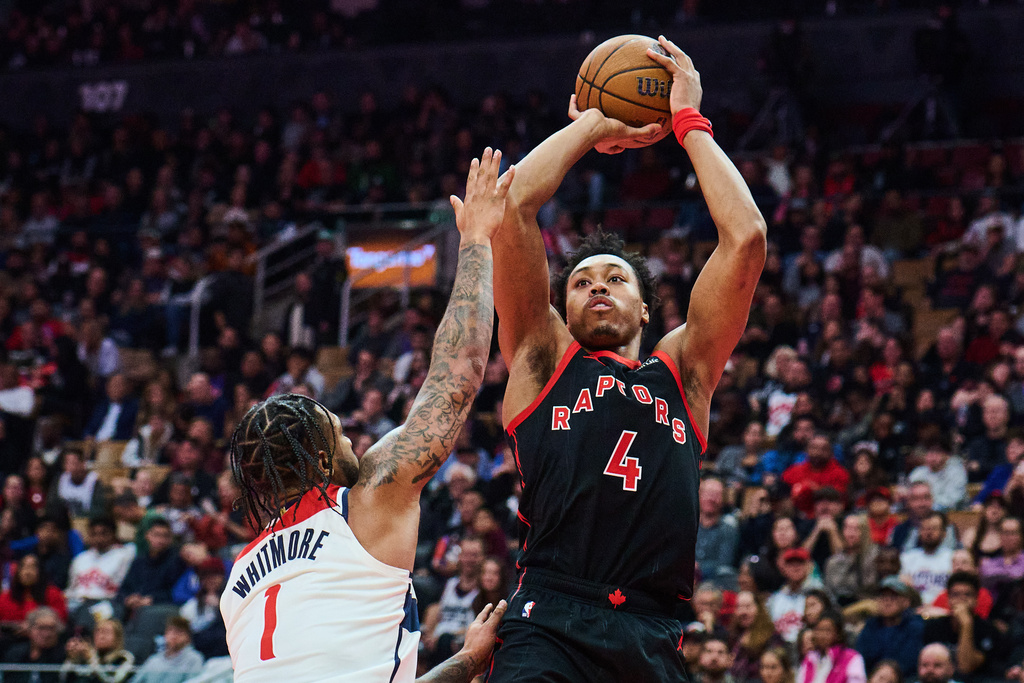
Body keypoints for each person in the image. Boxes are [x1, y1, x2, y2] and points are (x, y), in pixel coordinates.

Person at [486, 36, 767, 682]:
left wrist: (689, 122)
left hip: (652, 633)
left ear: (647, 310)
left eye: (615, 278)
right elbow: (512, 206)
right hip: (549, 619)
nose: (597, 287)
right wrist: (591, 124)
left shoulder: (682, 375)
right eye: (582, 281)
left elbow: (747, 236)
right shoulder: (542, 357)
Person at [219, 148, 513, 682]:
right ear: (320, 458)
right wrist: (474, 241)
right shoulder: (367, 502)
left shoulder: (238, 581)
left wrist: (468, 660)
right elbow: (454, 380)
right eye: (340, 433)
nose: (355, 440)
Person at [922, 571, 1003, 680]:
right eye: (956, 595)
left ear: (976, 599)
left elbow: (966, 668)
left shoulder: (988, 630)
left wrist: (966, 624)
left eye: (967, 595)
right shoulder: (934, 627)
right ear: (948, 599)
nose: (962, 599)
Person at [855, 577, 924, 678]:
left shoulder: (915, 626)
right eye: (883, 597)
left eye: (893, 597)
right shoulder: (871, 625)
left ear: (906, 602)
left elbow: (909, 662)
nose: (887, 601)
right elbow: (861, 657)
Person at [900, 511, 954, 605]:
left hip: (944, 609)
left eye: (934, 528)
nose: (929, 532)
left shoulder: (953, 558)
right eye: (925, 529)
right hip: (914, 609)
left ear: (944, 533)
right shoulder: (907, 558)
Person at [131, 615, 205, 683]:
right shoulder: (154, 660)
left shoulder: (194, 659)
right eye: (170, 631)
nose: (173, 636)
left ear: (188, 637)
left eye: (179, 632)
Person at [1, 606, 65, 683]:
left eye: (51, 628)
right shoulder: (14, 653)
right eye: (41, 628)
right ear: (30, 630)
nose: (46, 634)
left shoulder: (63, 657)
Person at [797, 611, 866, 683]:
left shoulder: (852, 658)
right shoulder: (810, 658)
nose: (822, 635)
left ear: (838, 634)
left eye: (827, 630)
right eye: (818, 630)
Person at [61, 618, 135, 683]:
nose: (101, 636)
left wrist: (92, 660)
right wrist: (73, 659)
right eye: (98, 632)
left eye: (106, 632)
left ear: (117, 638)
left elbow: (113, 680)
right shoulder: (88, 655)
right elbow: (64, 679)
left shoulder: (123, 658)